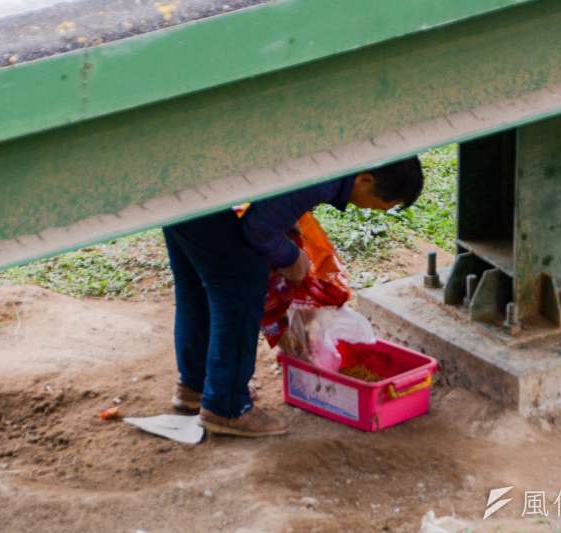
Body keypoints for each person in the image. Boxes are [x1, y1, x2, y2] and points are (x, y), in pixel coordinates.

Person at [163, 156, 424, 437]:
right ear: (364, 179)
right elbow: (258, 228)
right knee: (241, 280)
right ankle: (226, 407)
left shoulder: (334, 156)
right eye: (389, 204)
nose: (383, 210)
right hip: (196, 189)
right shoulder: (328, 177)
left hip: (178, 183)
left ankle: (196, 385)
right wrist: (290, 257)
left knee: (199, 284)